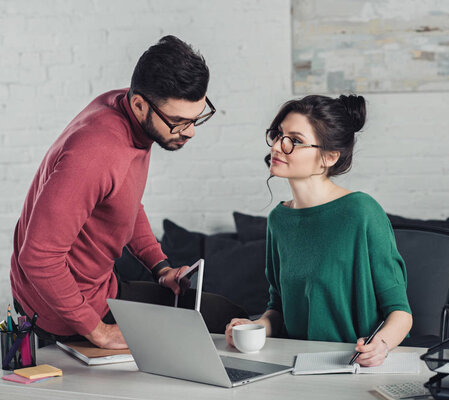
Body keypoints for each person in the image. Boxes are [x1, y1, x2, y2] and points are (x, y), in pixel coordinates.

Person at [10, 35, 246, 349]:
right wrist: (99, 332)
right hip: (63, 313)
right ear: (139, 105)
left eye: (197, 118)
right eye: (178, 122)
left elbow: (125, 200)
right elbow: (38, 259)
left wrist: (161, 269)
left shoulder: (131, 111)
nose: (189, 132)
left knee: (226, 315)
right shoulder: (94, 154)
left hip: (102, 289)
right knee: (181, 353)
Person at [225, 95, 412, 367]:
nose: (278, 145)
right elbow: (278, 308)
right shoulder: (279, 219)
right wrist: (255, 327)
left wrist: (380, 345)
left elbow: (400, 312)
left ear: (329, 157)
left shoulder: (361, 212)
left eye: (295, 140)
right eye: (278, 135)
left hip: (351, 366)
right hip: (293, 364)